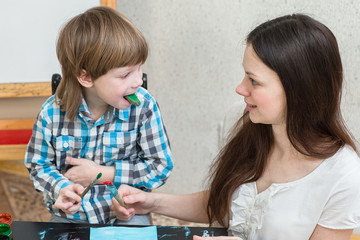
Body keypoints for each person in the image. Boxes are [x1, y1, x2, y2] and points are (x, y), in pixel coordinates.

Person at [111, 13, 360, 239]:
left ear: (298, 89)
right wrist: (152, 202)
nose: (240, 88)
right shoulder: (250, 126)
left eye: (253, 81)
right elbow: (227, 204)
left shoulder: (344, 174)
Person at [24, 6, 173, 225]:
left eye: (139, 68)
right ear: (86, 77)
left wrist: (103, 174)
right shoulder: (51, 113)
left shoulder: (144, 106)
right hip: (72, 215)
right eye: (125, 74)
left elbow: (160, 166)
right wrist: (62, 189)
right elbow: (38, 165)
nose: (138, 81)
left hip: (128, 213)